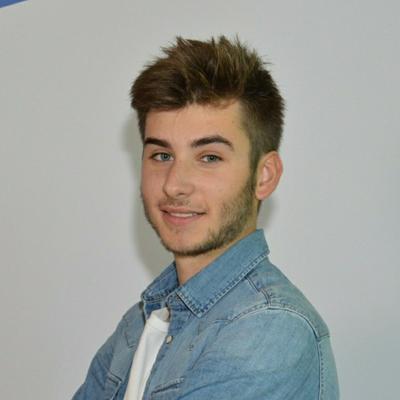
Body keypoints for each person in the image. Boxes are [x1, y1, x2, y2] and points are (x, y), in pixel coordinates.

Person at [73, 36, 339, 400]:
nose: (174, 185)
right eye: (162, 156)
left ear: (264, 176)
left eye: (209, 157)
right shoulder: (142, 322)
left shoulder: (270, 327)